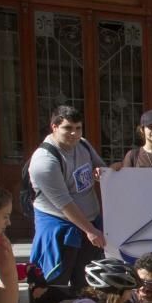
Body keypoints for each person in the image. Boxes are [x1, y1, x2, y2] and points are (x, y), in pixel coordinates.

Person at [28, 105, 106, 289]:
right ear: (54, 127)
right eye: (68, 128)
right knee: (53, 287)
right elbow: (64, 203)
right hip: (59, 231)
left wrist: (107, 171)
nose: (74, 133)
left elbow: (101, 169)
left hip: (89, 226)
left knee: (88, 287)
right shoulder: (44, 160)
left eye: (78, 128)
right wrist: (91, 231)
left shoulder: (83, 144)